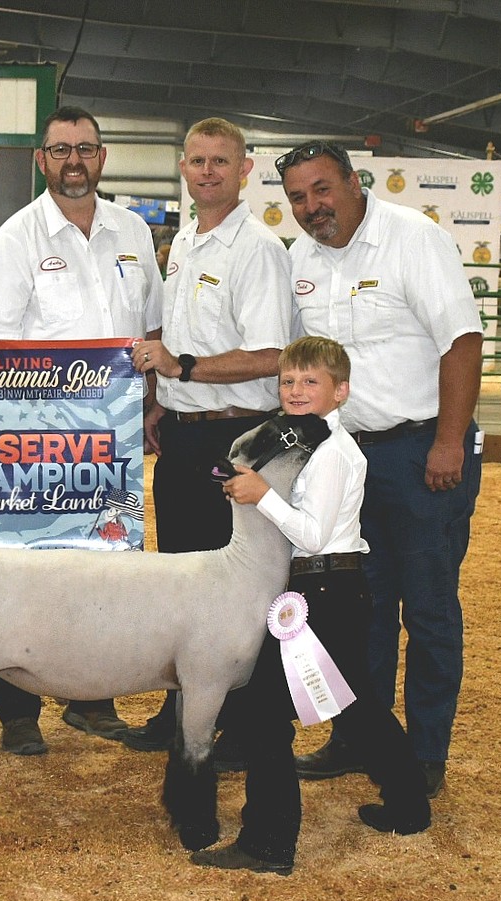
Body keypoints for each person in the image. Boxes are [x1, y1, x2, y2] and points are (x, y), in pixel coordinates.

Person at [277, 140, 483, 799]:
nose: (313, 207)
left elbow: (462, 341)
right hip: (345, 457)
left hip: (421, 451)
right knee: (355, 608)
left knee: (426, 607)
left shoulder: (413, 239)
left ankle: (424, 753)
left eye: (322, 190)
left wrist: (449, 441)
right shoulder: (299, 259)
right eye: (298, 198)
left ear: (354, 182)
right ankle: (358, 736)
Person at [191, 336, 431, 874]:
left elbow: (315, 534)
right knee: (356, 704)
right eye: (287, 382)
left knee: (263, 715)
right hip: (333, 590)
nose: (296, 391)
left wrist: (263, 496)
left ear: (340, 391)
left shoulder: (332, 455)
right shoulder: (309, 441)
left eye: (310, 382)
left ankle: (269, 842)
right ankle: (410, 805)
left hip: (325, 587)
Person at [0, 105, 163, 754]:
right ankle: (19, 712)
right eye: (60, 150)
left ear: (102, 157)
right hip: (37, 438)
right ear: (41, 160)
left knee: (107, 566)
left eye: (85, 149)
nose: (73, 161)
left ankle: (93, 699)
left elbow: (154, 331)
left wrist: (154, 400)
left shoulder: (133, 232)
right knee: (33, 570)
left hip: (116, 440)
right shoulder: (17, 239)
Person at [123, 117, 291, 763]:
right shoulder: (188, 238)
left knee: (238, 591)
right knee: (186, 582)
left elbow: (270, 354)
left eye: (221, 161)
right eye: (197, 161)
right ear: (184, 167)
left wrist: (181, 369)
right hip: (187, 437)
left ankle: (245, 724)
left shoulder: (259, 250)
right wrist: (163, 400)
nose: (207, 172)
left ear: (244, 170)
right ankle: (182, 711)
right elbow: (182, 335)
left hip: (237, 438)